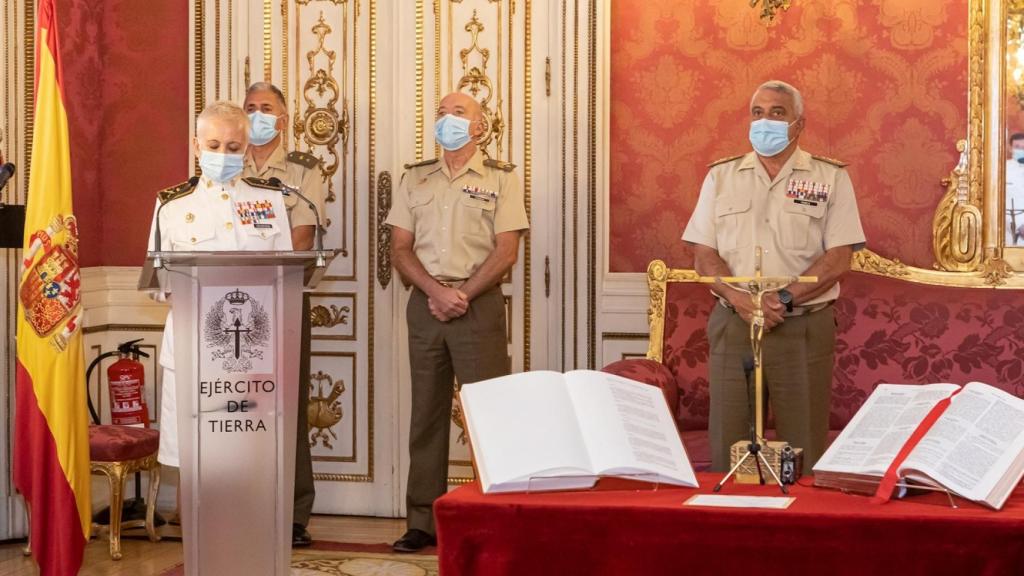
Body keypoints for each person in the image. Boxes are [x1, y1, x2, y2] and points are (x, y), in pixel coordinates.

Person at [681, 80, 866, 474]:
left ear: (799, 124)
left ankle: (802, 528)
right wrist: (741, 300)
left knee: (803, 450)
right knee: (729, 450)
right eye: (758, 113)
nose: (765, 121)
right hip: (735, 323)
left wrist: (781, 299)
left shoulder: (829, 177)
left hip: (800, 327)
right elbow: (703, 254)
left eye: (777, 113)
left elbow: (838, 258)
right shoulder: (721, 176)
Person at [385, 92, 529, 552]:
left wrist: (461, 294)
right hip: (426, 305)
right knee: (425, 415)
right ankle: (422, 520)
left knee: (488, 414)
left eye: (459, 113)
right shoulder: (415, 177)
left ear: (480, 127)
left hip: (478, 304)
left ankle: (492, 513)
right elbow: (400, 248)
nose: (447, 119)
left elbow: (506, 251)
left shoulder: (501, 179)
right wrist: (436, 292)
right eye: (442, 112)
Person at [150, 100, 293, 519]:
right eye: (214, 144)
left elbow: (285, 274)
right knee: (197, 456)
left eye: (234, 146)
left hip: (252, 353)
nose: (224, 155)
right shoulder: (172, 205)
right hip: (195, 349)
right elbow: (157, 282)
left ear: (248, 148)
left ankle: (249, 534)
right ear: (195, 146)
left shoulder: (270, 202)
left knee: (247, 454)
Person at [242, 81, 327, 548]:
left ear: (284, 117)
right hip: (230, 303)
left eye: (266, 108)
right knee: (238, 405)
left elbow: (302, 236)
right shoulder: (223, 165)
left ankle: (294, 513)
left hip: (283, 298)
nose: (257, 114)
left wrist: (264, 280)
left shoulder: (302, 170)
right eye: (250, 107)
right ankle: (241, 501)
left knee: (287, 406)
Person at [1006, 132, 1024, 245]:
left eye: (1023, 147)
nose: (1021, 150)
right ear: (1010, 148)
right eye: (1017, 147)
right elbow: (998, 202)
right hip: (1010, 231)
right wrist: (1019, 226)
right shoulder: (1002, 169)